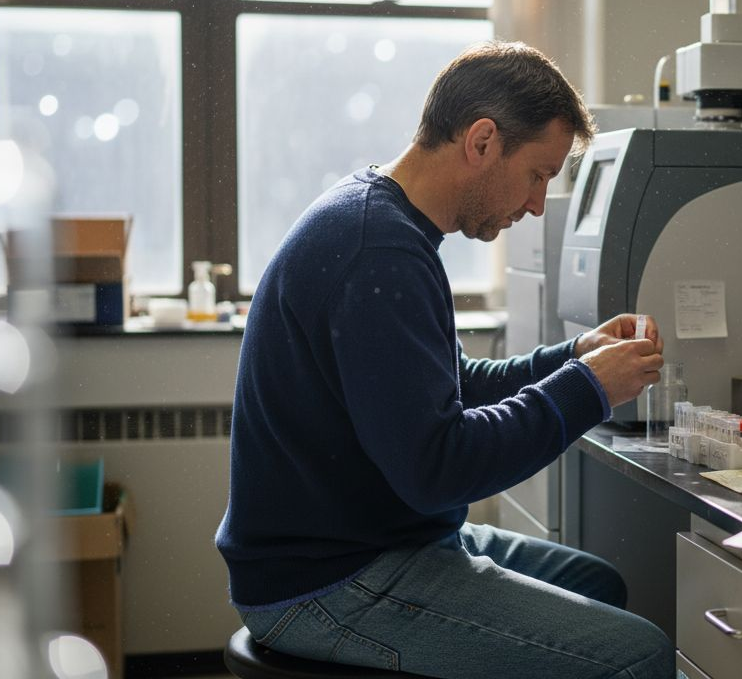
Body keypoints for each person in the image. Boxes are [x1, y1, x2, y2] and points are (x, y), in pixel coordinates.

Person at [216, 41, 674, 678]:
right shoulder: (378, 249)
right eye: (538, 175)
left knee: (593, 582)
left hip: (372, 544)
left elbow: (457, 385)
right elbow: (438, 467)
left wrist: (576, 354)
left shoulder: (385, 221)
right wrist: (586, 390)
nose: (539, 203)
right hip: (328, 581)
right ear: (483, 142)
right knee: (640, 655)